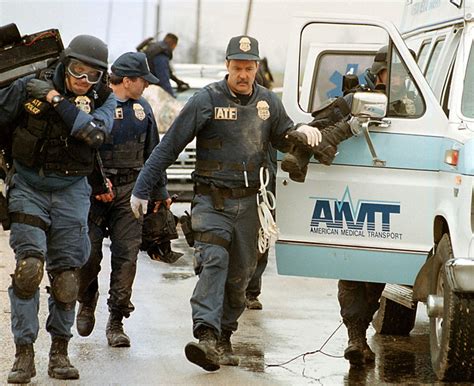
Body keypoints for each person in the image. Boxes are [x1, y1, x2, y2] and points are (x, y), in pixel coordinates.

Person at [130, 35, 322, 372]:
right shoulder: (206, 100)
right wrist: (142, 188)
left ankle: (224, 337)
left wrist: (303, 133)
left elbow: (284, 136)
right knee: (214, 260)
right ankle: (205, 334)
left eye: (249, 68)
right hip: (212, 201)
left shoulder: (268, 104)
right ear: (227, 66)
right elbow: (169, 145)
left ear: (257, 68)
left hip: (251, 205)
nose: (243, 74)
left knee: (240, 279)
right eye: (237, 67)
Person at [283, 45, 412, 368]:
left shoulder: (412, 106)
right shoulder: (353, 99)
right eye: (388, 74)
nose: (393, 82)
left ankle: (360, 334)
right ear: (378, 72)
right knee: (352, 266)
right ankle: (355, 337)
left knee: (379, 270)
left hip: (392, 192)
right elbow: (317, 125)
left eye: (399, 76)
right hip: (353, 189)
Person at [0, 35, 115, 383]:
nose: (83, 79)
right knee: (29, 269)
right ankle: (23, 354)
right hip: (29, 185)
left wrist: (53, 98)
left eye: (92, 74)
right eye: (78, 69)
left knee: (66, 278)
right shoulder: (27, 86)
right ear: (65, 64)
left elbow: (94, 135)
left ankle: (60, 353)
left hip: (72, 191)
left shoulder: (104, 100)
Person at [75, 52, 168, 348]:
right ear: (127, 81)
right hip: (93, 192)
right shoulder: (95, 105)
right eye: (143, 81)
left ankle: (116, 320)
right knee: (87, 255)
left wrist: (159, 194)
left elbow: (155, 155)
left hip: (130, 191)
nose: (147, 86)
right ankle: (86, 299)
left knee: (127, 257)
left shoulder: (144, 109)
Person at [137, 33, 189, 97]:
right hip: (150, 91)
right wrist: (171, 98)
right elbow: (164, 79)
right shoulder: (161, 55)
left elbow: (167, 72)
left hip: (142, 89)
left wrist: (177, 81)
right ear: (174, 45)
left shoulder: (154, 48)